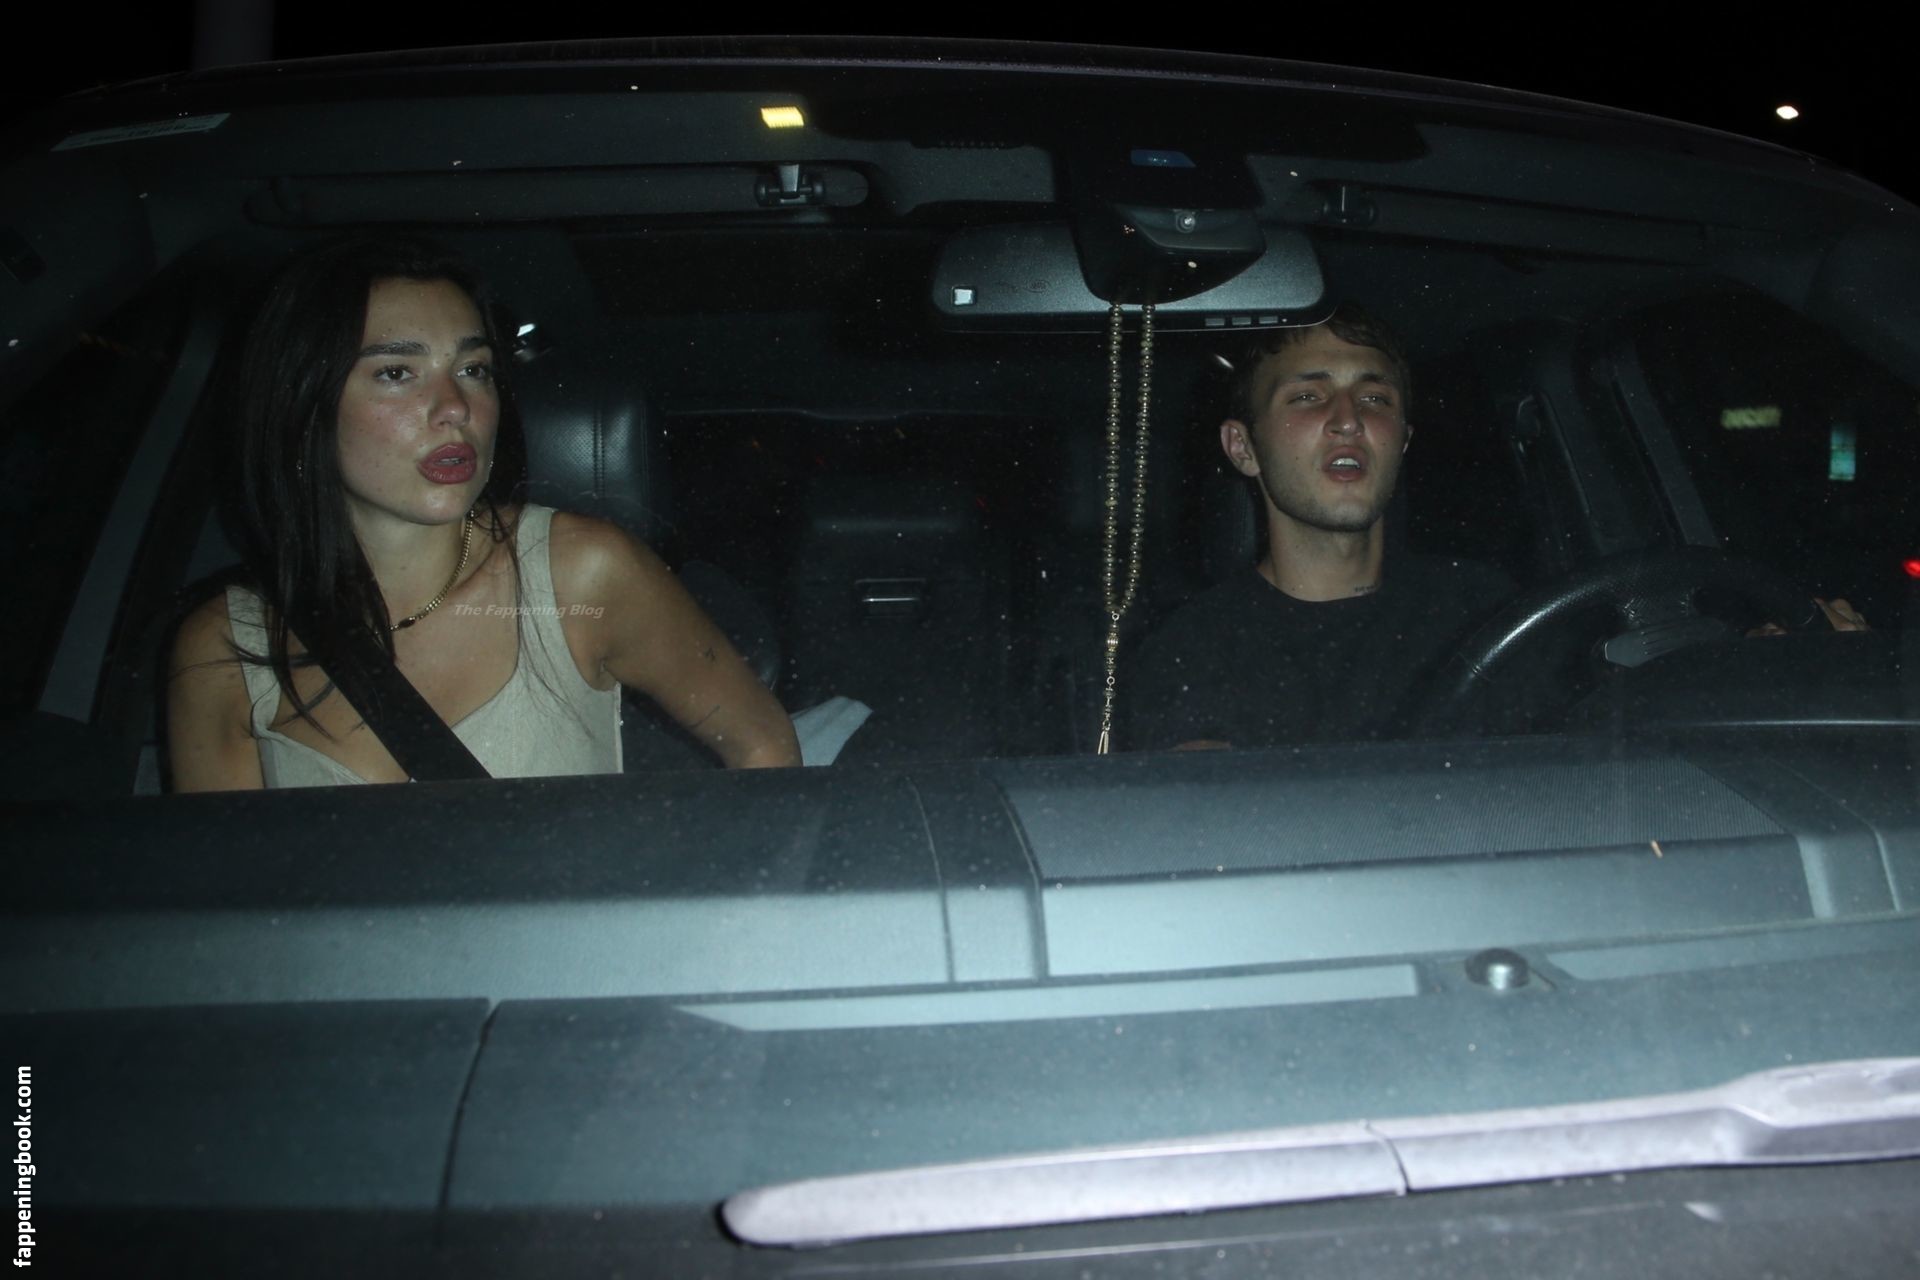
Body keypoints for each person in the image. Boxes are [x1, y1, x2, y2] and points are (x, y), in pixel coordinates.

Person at [167, 236, 799, 789]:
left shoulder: (580, 575)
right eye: (396, 372)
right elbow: (212, 880)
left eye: (473, 369)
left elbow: (763, 746)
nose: (455, 407)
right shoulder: (225, 647)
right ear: (303, 404)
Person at [1126, 303, 1867, 752]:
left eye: (1375, 398)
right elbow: (1219, 832)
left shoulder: (1484, 604)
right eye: (1308, 397)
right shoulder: (1195, 648)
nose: (1348, 419)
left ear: (1401, 440)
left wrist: (1759, 667)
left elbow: (1611, 731)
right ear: (1242, 447)